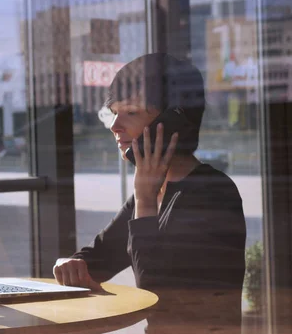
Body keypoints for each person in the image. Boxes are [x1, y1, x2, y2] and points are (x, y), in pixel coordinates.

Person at [54, 53, 246, 332]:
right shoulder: (155, 191)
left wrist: (144, 200)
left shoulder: (212, 192)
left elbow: (157, 299)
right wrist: (69, 264)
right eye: (114, 113)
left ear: (172, 122)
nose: (115, 126)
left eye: (131, 113)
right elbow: (98, 258)